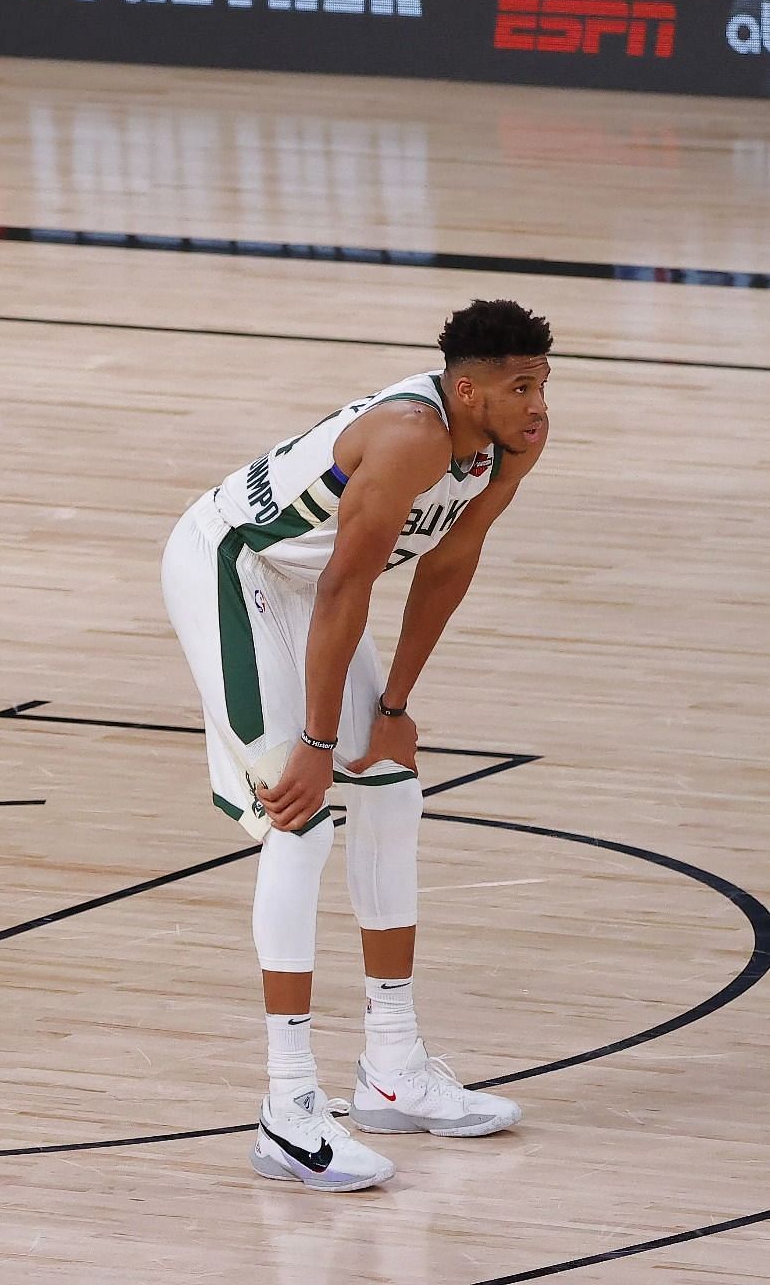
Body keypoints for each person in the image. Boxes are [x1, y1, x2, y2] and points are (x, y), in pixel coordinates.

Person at [161, 298, 551, 1192]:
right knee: (300, 822)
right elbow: (345, 587)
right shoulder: (412, 436)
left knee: (391, 785)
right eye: (518, 386)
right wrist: (315, 739)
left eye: (543, 384)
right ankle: (287, 1109)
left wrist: (399, 705)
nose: (536, 403)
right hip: (239, 567)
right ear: (466, 389)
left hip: (316, 588)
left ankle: (392, 1066)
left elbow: (450, 560)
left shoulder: (515, 441)